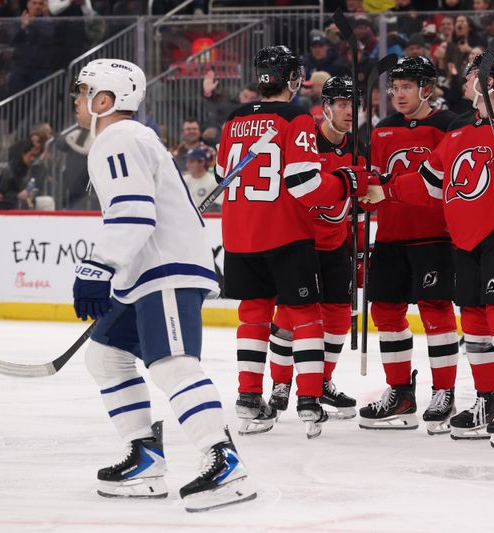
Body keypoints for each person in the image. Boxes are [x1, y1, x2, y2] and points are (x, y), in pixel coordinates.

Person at [69, 58, 255, 511]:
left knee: (173, 364)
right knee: (107, 357)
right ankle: (146, 457)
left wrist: (98, 267)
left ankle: (224, 460)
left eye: (82, 92)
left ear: (104, 100)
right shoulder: (128, 139)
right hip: (145, 273)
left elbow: (134, 212)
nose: (77, 101)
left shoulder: (119, 137)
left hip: (163, 269)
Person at [365, 51, 494, 447]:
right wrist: (384, 190)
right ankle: (487, 401)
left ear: (487, 83)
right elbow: (430, 183)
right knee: (473, 322)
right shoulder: (457, 129)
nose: (464, 82)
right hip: (464, 239)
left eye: (470, 76)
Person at [215, 46, 371, 438]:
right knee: (305, 317)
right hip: (284, 232)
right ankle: (307, 400)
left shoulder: (233, 119)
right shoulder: (297, 118)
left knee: (252, 317)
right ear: (293, 80)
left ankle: (248, 398)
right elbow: (305, 184)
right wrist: (345, 182)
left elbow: (222, 176)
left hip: (239, 234)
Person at [358, 56, 459, 436]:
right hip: (390, 237)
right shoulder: (382, 130)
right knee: (385, 311)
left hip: (434, 235)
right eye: (394, 88)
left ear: (426, 89)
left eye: (406, 87)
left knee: (436, 310)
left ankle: (444, 392)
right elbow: (376, 180)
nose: (398, 94)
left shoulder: (448, 126)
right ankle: (400, 393)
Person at [265, 76, 361, 422]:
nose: (349, 112)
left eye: (354, 105)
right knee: (290, 319)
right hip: (300, 246)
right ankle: (280, 383)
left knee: (337, 320)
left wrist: (360, 248)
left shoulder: (358, 147)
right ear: (326, 108)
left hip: (336, 247)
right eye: (342, 104)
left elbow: (363, 197)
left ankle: (321, 382)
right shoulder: (306, 141)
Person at [0, 139, 35, 210]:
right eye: (31, 155)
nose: (33, 158)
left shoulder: (27, 170)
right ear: (22, 154)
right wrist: (17, 196)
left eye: (34, 155)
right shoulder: (9, 172)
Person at [182, 146, 219, 211]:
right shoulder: (182, 180)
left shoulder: (213, 182)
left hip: (206, 218)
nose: (188, 165)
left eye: (191, 161)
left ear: (202, 162)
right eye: (187, 161)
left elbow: (217, 205)